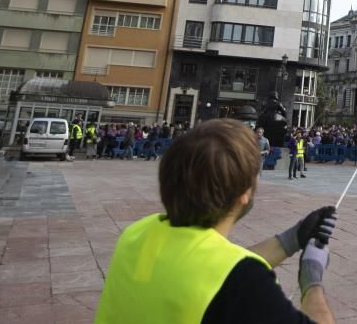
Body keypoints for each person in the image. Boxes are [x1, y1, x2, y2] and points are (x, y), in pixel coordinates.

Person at [95, 119, 337, 323]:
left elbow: (210, 268)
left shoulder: (137, 234)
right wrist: (311, 279)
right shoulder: (243, 283)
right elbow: (229, 275)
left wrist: (290, 239)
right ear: (244, 192)